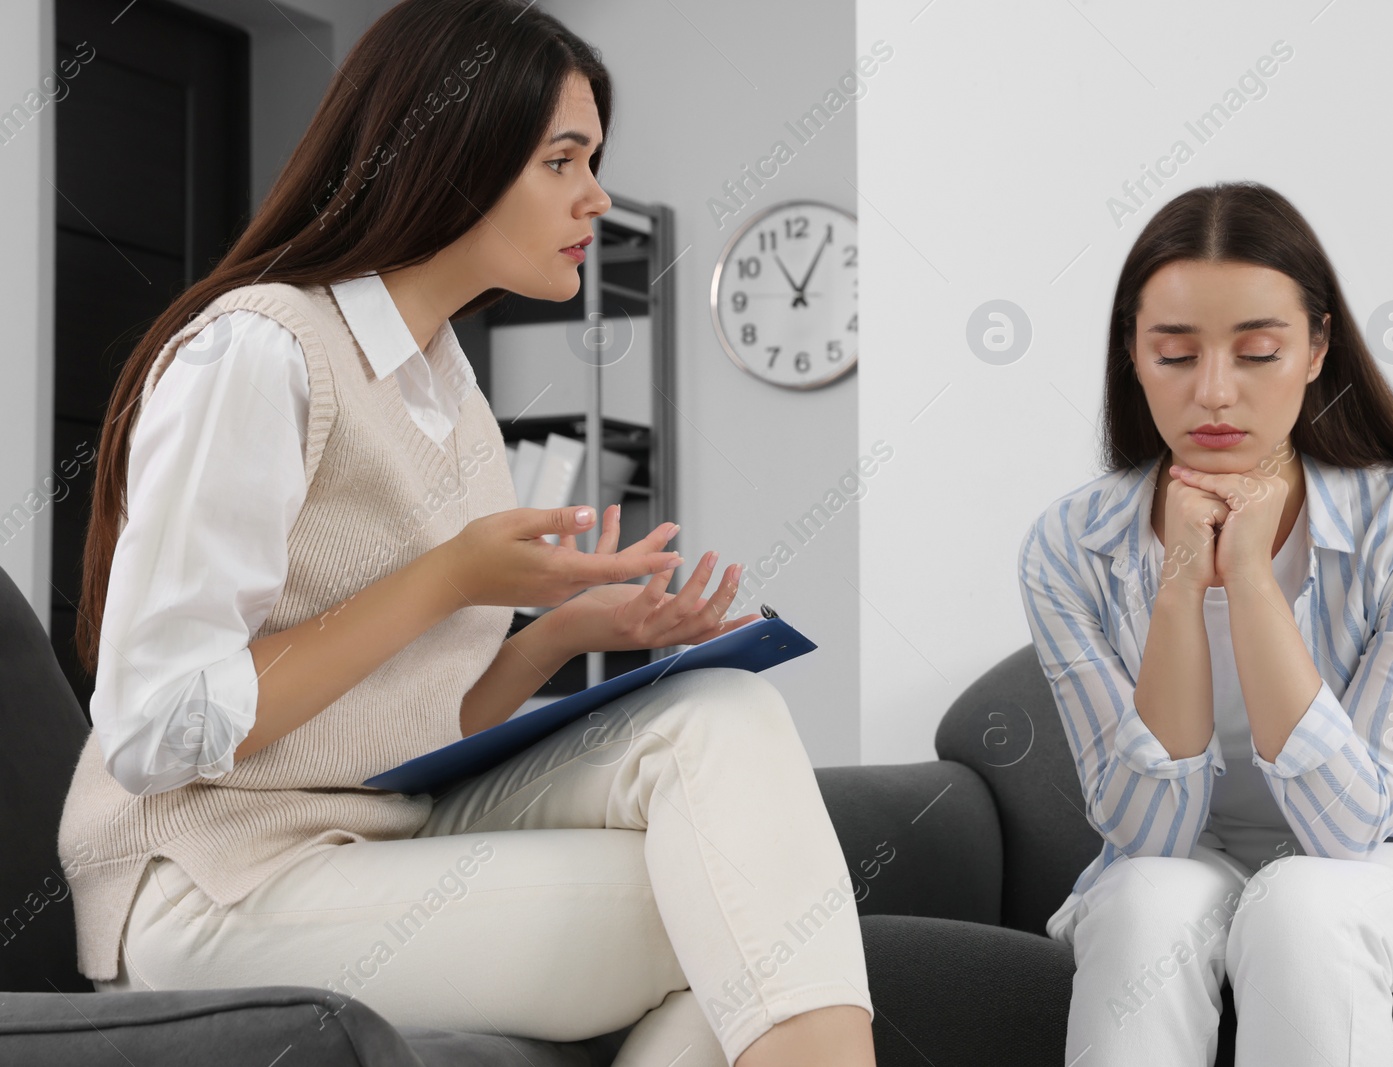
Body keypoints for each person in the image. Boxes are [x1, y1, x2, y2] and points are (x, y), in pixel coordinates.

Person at [55, 3, 875, 1064]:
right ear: (451, 157)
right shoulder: (261, 354)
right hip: (213, 884)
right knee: (740, 903)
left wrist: (549, 634)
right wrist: (448, 579)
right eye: (563, 160)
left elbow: (404, 733)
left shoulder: (448, 389)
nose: (598, 195)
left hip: (367, 835)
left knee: (722, 708)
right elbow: (153, 723)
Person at [1016, 181, 1393, 1067]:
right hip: (1199, 858)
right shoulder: (1070, 546)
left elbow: (1350, 831)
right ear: (1132, 357)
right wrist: (1178, 588)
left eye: (1259, 351)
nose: (1215, 393)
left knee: (1304, 902)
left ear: (1316, 349)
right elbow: (1144, 836)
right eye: (1175, 355)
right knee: (1141, 899)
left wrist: (1250, 580)